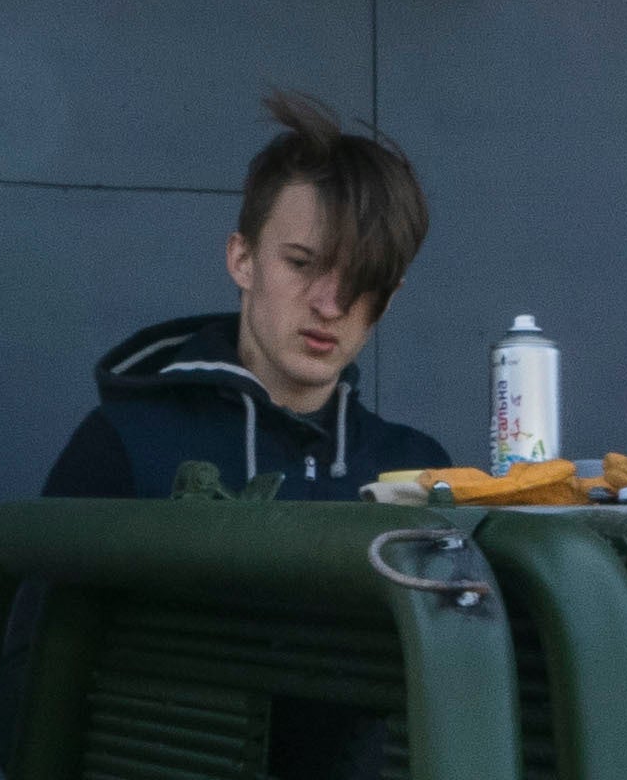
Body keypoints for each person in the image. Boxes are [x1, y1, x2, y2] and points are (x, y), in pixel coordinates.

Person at [46, 84, 451, 499]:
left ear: (389, 298)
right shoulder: (125, 442)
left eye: (363, 280)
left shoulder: (416, 472)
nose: (330, 306)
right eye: (301, 263)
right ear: (242, 260)